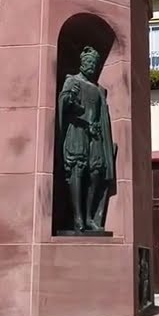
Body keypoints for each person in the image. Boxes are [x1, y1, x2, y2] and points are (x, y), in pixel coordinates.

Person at [57, 46, 118, 231]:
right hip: (77, 130)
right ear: (82, 63)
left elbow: (101, 114)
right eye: (88, 62)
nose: (91, 66)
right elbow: (64, 101)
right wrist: (70, 99)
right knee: (76, 171)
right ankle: (77, 217)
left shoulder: (99, 89)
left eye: (94, 63)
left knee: (96, 173)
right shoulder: (72, 80)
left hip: (95, 134)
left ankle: (90, 216)